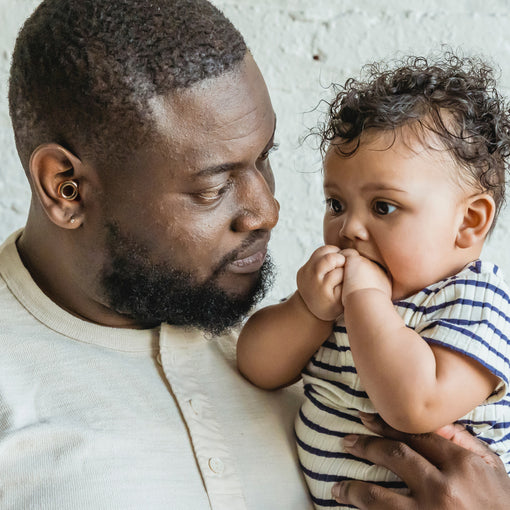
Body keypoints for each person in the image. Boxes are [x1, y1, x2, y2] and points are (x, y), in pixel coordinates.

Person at [1, 0, 509, 507]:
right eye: (213, 186)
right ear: (66, 188)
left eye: (265, 159)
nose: (269, 212)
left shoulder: (259, 309)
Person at [237, 54, 510, 508]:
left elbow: (414, 407)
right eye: (336, 204)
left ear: (469, 222)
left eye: (383, 207)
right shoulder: (337, 300)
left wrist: (365, 298)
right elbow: (256, 367)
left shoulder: (477, 300)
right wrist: (306, 311)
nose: (349, 230)